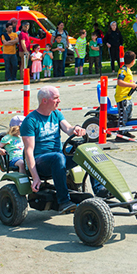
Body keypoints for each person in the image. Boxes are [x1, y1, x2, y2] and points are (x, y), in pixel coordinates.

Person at [21, 86, 107, 214]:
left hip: (57, 157)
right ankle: (64, 201)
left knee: (86, 150)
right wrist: (36, 177)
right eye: (55, 98)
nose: (59, 101)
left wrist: (77, 129)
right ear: (44, 101)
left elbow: (68, 129)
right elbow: (29, 152)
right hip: (41, 161)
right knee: (58, 157)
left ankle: (100, 190)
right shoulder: (30, 121)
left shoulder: (56, 114)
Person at [115, 51, 137, 140]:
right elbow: (120, 82)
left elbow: (128, 81)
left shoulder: (128, 70)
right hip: (122, 97)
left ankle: (125, 131)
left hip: (127, 96)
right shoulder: (123, 70)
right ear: (133, 61)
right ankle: (120, 134)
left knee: (128, 115)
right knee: (123, 116)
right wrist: (132, 85)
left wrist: (134, 85)